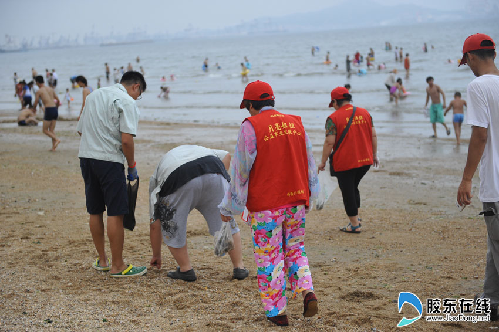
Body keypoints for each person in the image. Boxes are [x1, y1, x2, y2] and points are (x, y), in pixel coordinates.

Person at [219, 80, 319, 326]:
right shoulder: (296, 123)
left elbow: (241, 171)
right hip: (296, 200)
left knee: (269, 257)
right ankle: (307, 291)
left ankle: (278, 313)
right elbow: (310, 163)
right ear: (272, 101)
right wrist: (313, 193)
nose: (248, 112)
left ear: (251, 105)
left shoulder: (250, 127)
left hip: (266, 206)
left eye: (248, 107)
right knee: (295, 249)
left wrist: (229, 207)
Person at [76, 71, 147, 277]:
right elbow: (126, 140)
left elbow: (81, 130)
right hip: (109, 160)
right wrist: (132, 166)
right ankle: (118, 266)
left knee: (95, 209)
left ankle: (103, 260)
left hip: (86, 157)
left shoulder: (93, 96)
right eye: (139, 94)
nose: (137, 98)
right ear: (136, 87)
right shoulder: (127, 101)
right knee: (116, 211)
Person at [149, 145, 249, 282]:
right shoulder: (203, 150)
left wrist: (156, 255)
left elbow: (155, 222)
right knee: (226, 221)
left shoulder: (155, 179)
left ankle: (186, 269)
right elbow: (227, 156)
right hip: (213, 170)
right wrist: (222, 185)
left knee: (173, 226)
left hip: (177, 176)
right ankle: (239, 268)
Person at [456, 33, 499, 321]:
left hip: (496, 184)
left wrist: (467, 178)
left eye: (466, 61)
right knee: (493, 243)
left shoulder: (478, 86)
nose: (468, 66)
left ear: (471, 57)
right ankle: (491, 301)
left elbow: (480, 134)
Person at [318, 86, 379, 234]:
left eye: (333, 104)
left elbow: (329, 142)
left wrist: (323, 162)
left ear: (335, 101)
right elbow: (373, 136)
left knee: (348, 191)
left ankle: (354, 225)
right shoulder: (365, 113)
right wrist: (374, 155)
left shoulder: (333, 119)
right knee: (353, 186)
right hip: (365, 161)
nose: (333, 108)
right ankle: (356, 217)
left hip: (345, 162)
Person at [32, 76, 61, 151]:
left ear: (37, 82)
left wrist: (34, 109)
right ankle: (53, 147)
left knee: (44, 130)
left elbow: (36, 102)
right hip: (54, 109)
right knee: (51, 130)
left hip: (48, 109)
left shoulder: (39, 91)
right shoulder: (51, 89)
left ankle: (56, 139)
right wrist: (56, 108)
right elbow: (57, 100)